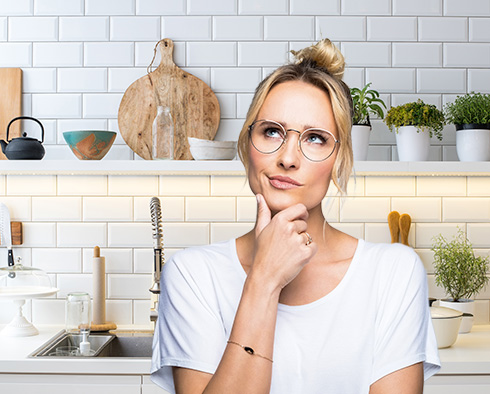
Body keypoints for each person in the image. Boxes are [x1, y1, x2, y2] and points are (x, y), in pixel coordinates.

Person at [151, 38, 440, 394]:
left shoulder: (394, 272)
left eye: (315, 138)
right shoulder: (191, 275)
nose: (288, 157)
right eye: (271, 131)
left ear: (339, 162)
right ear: (247, 146)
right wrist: (264, 280)